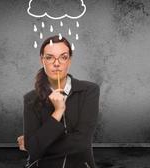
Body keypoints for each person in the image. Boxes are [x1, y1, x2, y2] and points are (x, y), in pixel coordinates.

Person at [17, 35, 100, 168]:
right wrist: (58, 111)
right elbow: (33, 151)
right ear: (42, 60)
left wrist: (35, 144)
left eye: (63, 57)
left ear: (69, 60)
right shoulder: (30, 99)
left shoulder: (89, 91)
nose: (57, 63)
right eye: (49, 57)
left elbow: (82, 142)